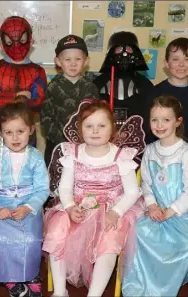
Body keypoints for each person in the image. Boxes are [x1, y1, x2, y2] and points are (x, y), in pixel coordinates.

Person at [42, 100, 144, 297]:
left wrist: (116, 212)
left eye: (101, 126)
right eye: (89, 126)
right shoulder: (73, 153)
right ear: (81, 129)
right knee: (56, 230)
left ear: (112, 128)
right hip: (78, 205)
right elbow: (64, 187)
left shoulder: (121, 156)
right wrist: (70, 207)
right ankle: (59, 290)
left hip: (112, 208)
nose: (95, 131)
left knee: (110, 239)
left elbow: (132, 192)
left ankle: (94, 294)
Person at [121, 96, 188, 296]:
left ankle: (164, 289)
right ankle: (143, 288)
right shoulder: (150, 151)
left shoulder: (187, 153)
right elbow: (146, 184)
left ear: (178, 121)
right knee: (138, 235)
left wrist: (171, 211)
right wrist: (151, 205)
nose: (159, 125)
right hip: (155, 210)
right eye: (154, 120)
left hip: (182, 214)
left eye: (166, 120)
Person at [0, 97, 49, 297]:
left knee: (31, 238)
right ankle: (9, 277)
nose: (15, 137)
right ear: (1, 134)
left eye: (20, 131)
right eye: (9, 133)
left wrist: (28, 207)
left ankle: (30, 274)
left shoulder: (35, 156)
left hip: (27, 207)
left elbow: (43, 189)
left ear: (31, 130)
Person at [0, 16, 47, 149]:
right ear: (1, 44)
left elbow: (38, 101)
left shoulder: (38, 71)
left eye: (22, 40)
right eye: (10, 41)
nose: (16, 46)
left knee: (26, 165)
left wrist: (2, 96)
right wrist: (18, 96)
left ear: (31, 41)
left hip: (26, 128)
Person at [40, 34, 99, 165]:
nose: (73, 63)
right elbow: (46, 119)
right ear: (58, 61)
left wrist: (86, 139)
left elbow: (97, 117)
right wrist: (62, 141)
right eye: (67, 59)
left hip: (85, 146)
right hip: (57, 146)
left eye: (78, 59)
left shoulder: (91, 88)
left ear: (86, 61)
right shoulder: (52, 87)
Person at [150, 38, 188, 154]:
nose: (181, 64)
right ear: (166, 63)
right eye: (175, 59)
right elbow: (150, 128)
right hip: (161, 154)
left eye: (187, 59)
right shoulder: (155, 92)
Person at [93, 31, 154, 130]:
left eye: (129, 49)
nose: (124, 54)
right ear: (110, 53)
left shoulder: (145, 85)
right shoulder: (98, 84)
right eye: (119, 49)